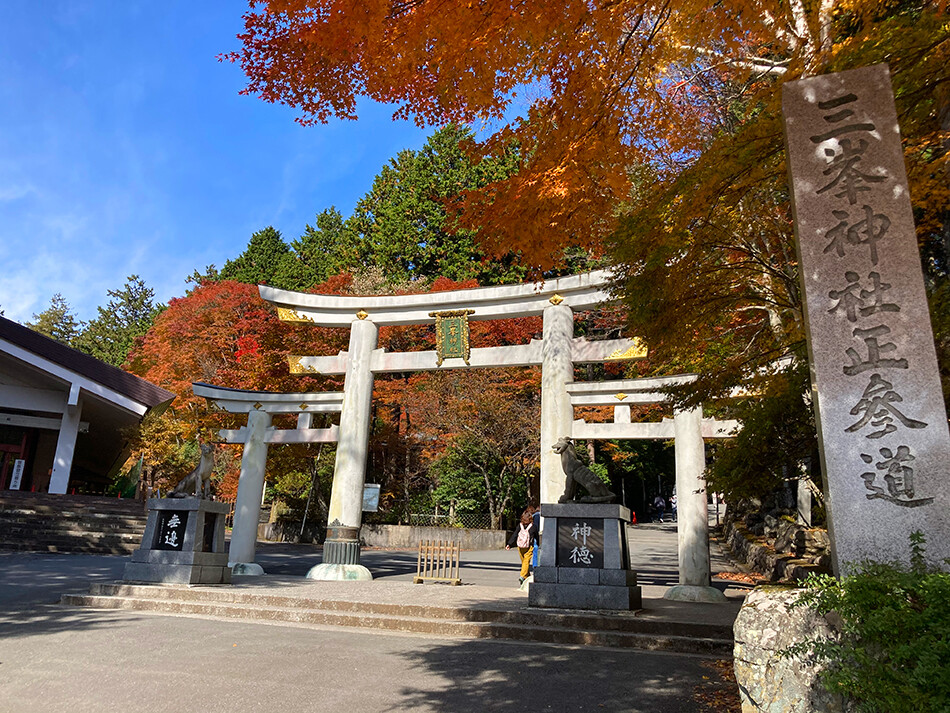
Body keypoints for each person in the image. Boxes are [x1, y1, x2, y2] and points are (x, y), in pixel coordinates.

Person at [506, 508, 538, 584]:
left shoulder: (520, 526)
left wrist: (509, 544)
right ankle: (523, 576)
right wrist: (539, 544)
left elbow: (515, 534)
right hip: (529, 546)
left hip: (520, 546)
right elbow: (536, 536)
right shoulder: (533, 526)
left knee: (524, 561)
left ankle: (526, 576)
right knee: (526, 561)